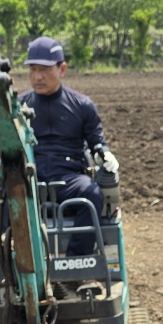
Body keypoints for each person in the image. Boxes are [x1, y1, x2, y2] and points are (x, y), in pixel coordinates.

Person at [18, 36, 108, 255]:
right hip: (32, 174)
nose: (37, 77)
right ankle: (15, 263)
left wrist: (105, 154)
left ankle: (76, 261)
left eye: (45, 70)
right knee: (6, 198)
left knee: (93, 193)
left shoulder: (82, 105)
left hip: (69, 175)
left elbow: (97, 141)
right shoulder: (19, 107)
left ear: (62, 69)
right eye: (33, 70)